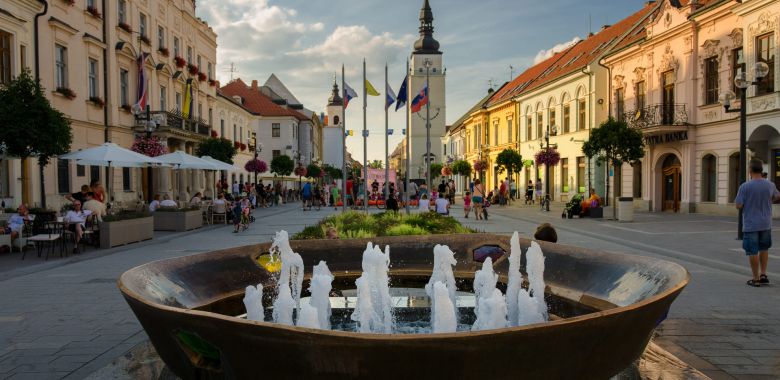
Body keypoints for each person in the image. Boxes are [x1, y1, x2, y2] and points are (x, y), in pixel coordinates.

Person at [736, 158, 780, 287]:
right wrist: (768, 200)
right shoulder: (770, 185)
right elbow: (777, 196)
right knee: (764, 248)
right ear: (762, 170)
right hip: (766, 223)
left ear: (750, 170)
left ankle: (755, 279)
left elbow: (738, 205)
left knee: (752, 251)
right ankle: (763, 274)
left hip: (751, 224)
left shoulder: (744, 186)